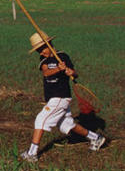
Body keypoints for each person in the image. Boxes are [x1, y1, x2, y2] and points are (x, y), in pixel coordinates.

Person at [20, 32, 105, 162]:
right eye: (38, 51)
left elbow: (74, 73)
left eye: (41, 49)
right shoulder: (44, 60)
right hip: (53, 98)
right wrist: (58, 69)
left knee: (40, 119)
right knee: (67, 125)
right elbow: (46, 72)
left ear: (48, 44)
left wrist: (71, 72)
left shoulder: (63, 56)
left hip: (60, 97)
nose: (41, 53)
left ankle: (32, 153)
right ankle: (96, 138)